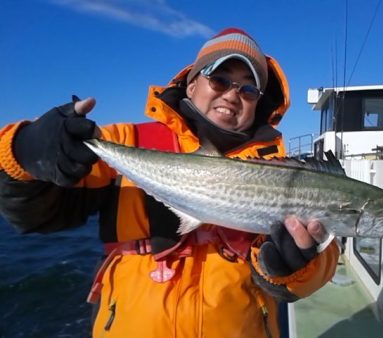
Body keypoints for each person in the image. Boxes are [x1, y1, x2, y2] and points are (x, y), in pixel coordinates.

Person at [0, 28, 339, 338]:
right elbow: (37, 213)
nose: (233, 95)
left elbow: (313, 270)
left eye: (248, 89)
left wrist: (297, 267)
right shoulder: (126, 141)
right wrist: (24, 151)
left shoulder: (280, 169)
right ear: (192, 84)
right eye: (219, 80)